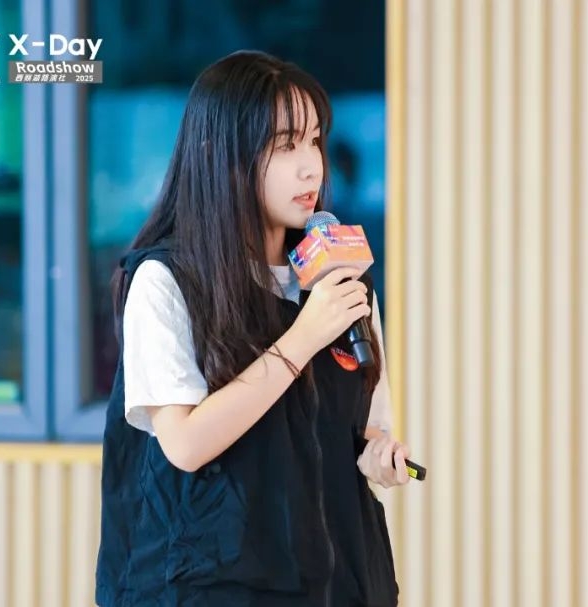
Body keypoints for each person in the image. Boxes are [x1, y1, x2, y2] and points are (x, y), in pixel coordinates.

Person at [96, 50, 413, 606]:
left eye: (315, 141)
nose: (312, 167)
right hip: (209, 587)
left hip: (334, 582)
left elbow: (358, 430)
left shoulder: (339, 278)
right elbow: (186, 444)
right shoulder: (166, 281)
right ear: (222, 155)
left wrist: (376, 455)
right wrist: (302, 338)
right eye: (286, 146)